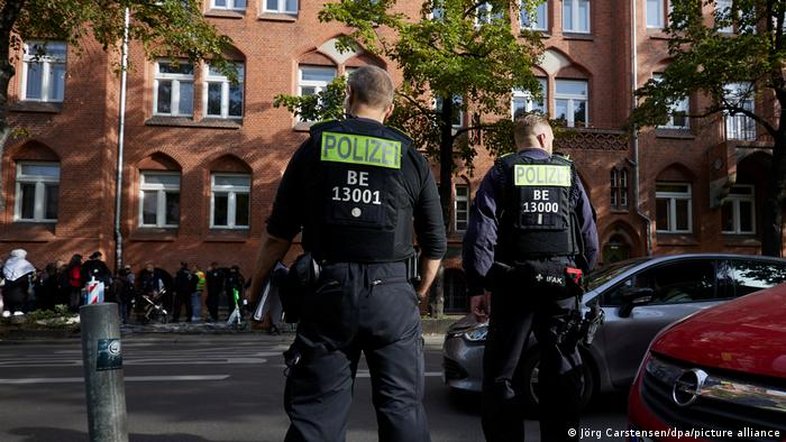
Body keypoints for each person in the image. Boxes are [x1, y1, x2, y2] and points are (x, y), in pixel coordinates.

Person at [247, 65, 446, 442]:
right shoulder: (410, 157)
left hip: (327, 291)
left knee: (317, 411)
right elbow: (434, 243)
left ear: (349, 97)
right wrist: (417, 291)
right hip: (392, 292)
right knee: (402, 408)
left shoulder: (315, 148)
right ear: (389, 111)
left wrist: (256, 295)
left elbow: (277, 235)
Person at [462, 113, 599, 442]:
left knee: (501, 373)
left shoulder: (502, 172)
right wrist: (581, 275)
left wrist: (480, 285)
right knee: (563, 370)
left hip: (514, 284)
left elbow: (480, 234)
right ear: (542, 139)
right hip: (561, 284)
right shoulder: (567, 173)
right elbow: (589, 235)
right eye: (550, 139)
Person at [2, 249, 36, 317]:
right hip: (21, 288)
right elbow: (32, 274)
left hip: (8, 289)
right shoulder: (26, 264)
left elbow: (2, 274)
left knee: (8, 300)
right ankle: (18, 311)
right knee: (19, 302)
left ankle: (7, 310)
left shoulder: (8, 263)